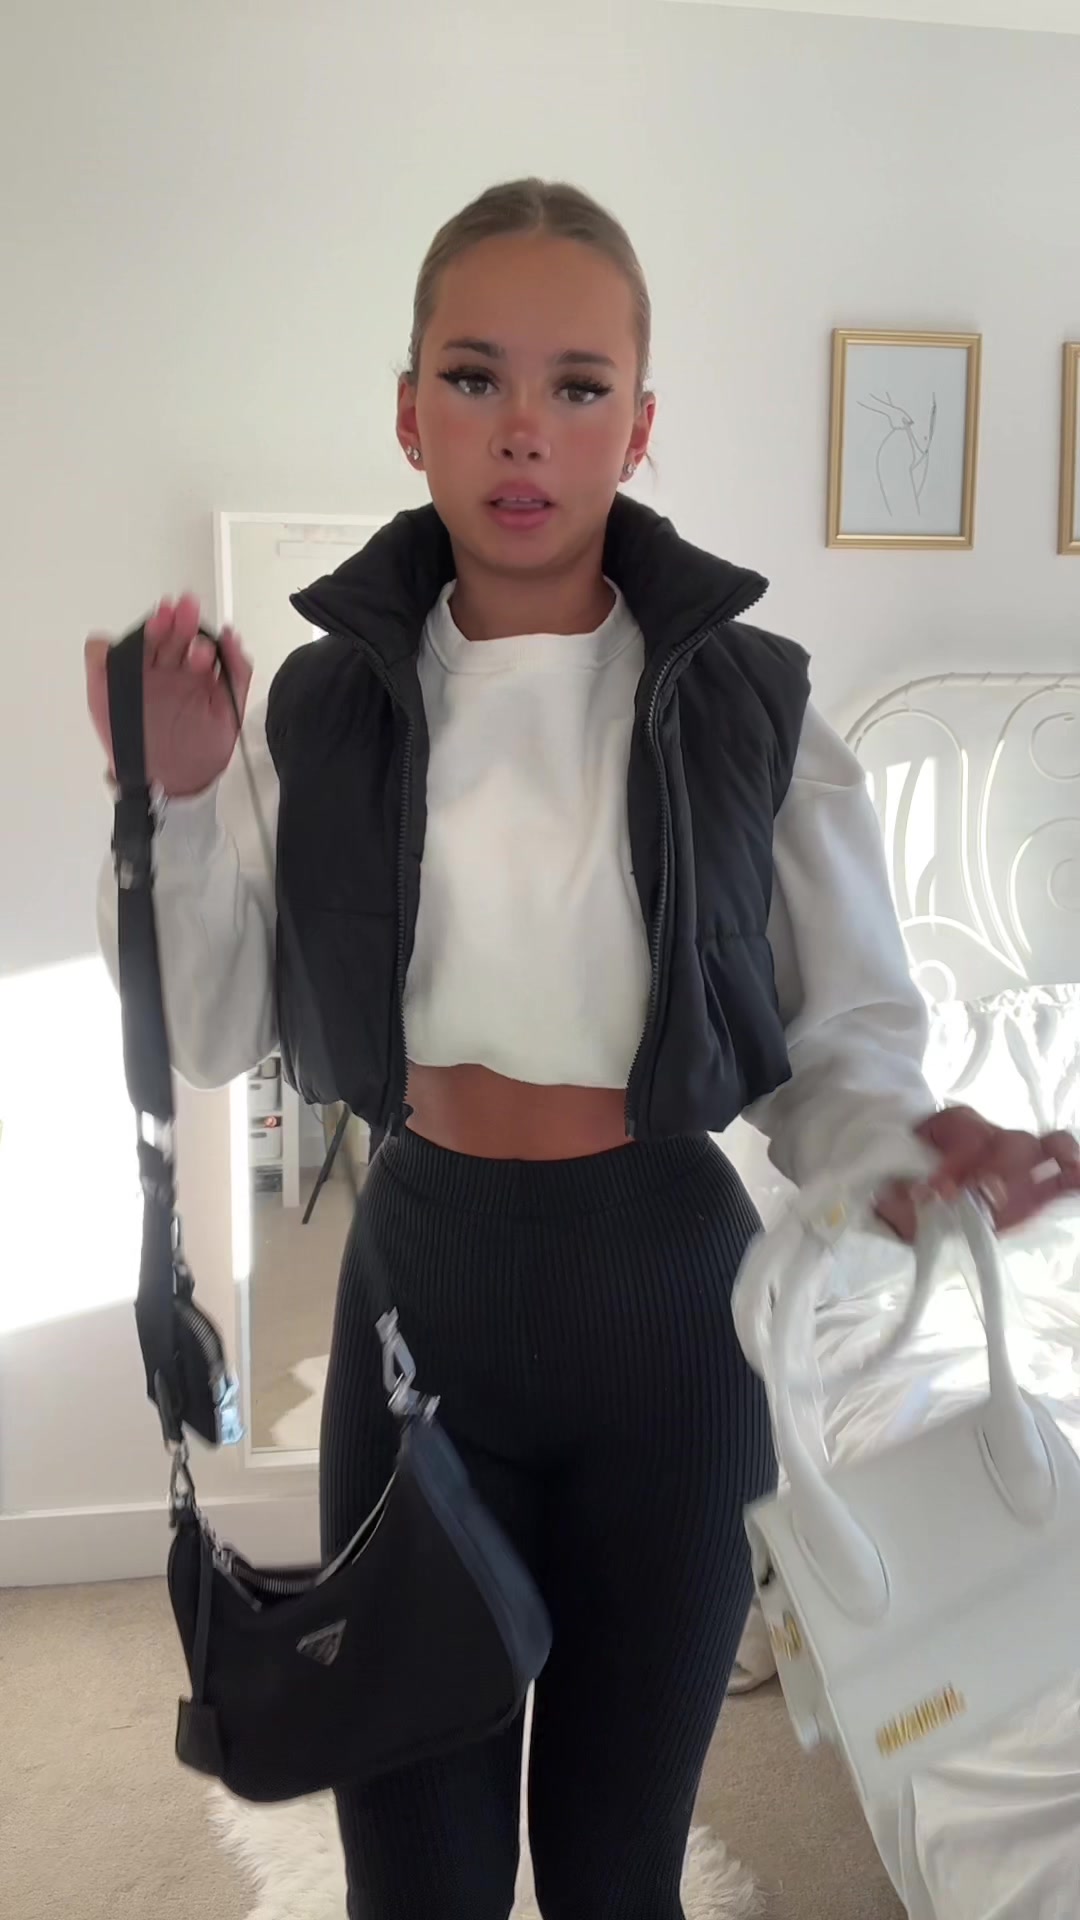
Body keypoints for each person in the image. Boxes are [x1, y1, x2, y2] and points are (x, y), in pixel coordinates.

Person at [87, 179, 1079, 1920]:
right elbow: (225, 1023)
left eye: (578, 384)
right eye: (475, 378)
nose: (524, 429)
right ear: (411, 413)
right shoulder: (322, 706)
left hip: (672, 1317)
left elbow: (839, 1040)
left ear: (641, 420)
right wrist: (175, 794)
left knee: (620, 1874)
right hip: (419, 1305)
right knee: (418, 1875)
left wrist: (905, 1152)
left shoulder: (752, 704)